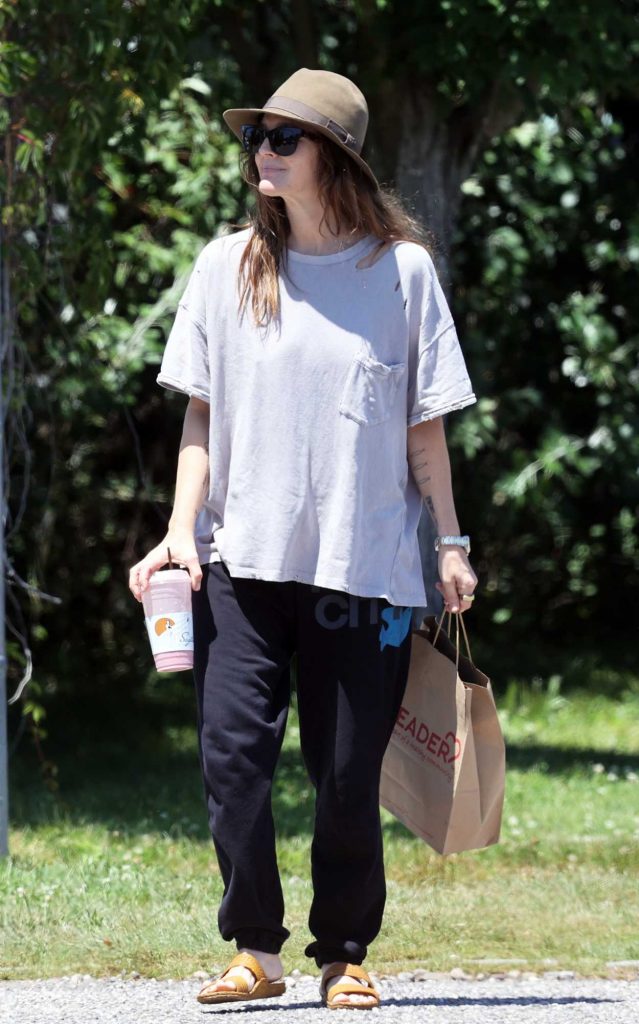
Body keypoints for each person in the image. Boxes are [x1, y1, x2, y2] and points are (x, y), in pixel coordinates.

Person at [128, 67, 478, 1010]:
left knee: (342, 774)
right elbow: (200, 418)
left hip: (361, 573)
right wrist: (176, 533)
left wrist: (449, 541)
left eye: (285, 138)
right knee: (231, 758)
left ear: (336, 158)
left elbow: (423, 428)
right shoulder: (226, 264)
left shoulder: (400, 274)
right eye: (258, 136)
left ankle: (343, 952)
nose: (263, 153)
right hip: (240, 563)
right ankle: (256, 949)